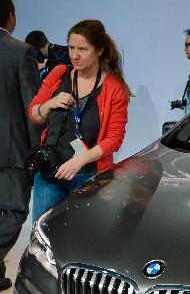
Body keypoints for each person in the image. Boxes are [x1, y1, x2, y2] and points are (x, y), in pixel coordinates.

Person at [28, 19, 131, 225]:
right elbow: (35, 112)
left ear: (99, 50)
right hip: (50, 173)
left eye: (82, 49)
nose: (74, 55)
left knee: (83, 236)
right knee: (42, 234)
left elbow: (114, 139)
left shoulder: (114, 88)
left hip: (87, 175)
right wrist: (49, 104)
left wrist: (79, 161)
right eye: (71, 48)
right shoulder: (59, 74)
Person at [0, 0, 41, 291]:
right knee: (14, 211)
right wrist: (37, 150)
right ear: (11, 16)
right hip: (11, 148)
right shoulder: (21, 51)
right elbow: (33, 107)